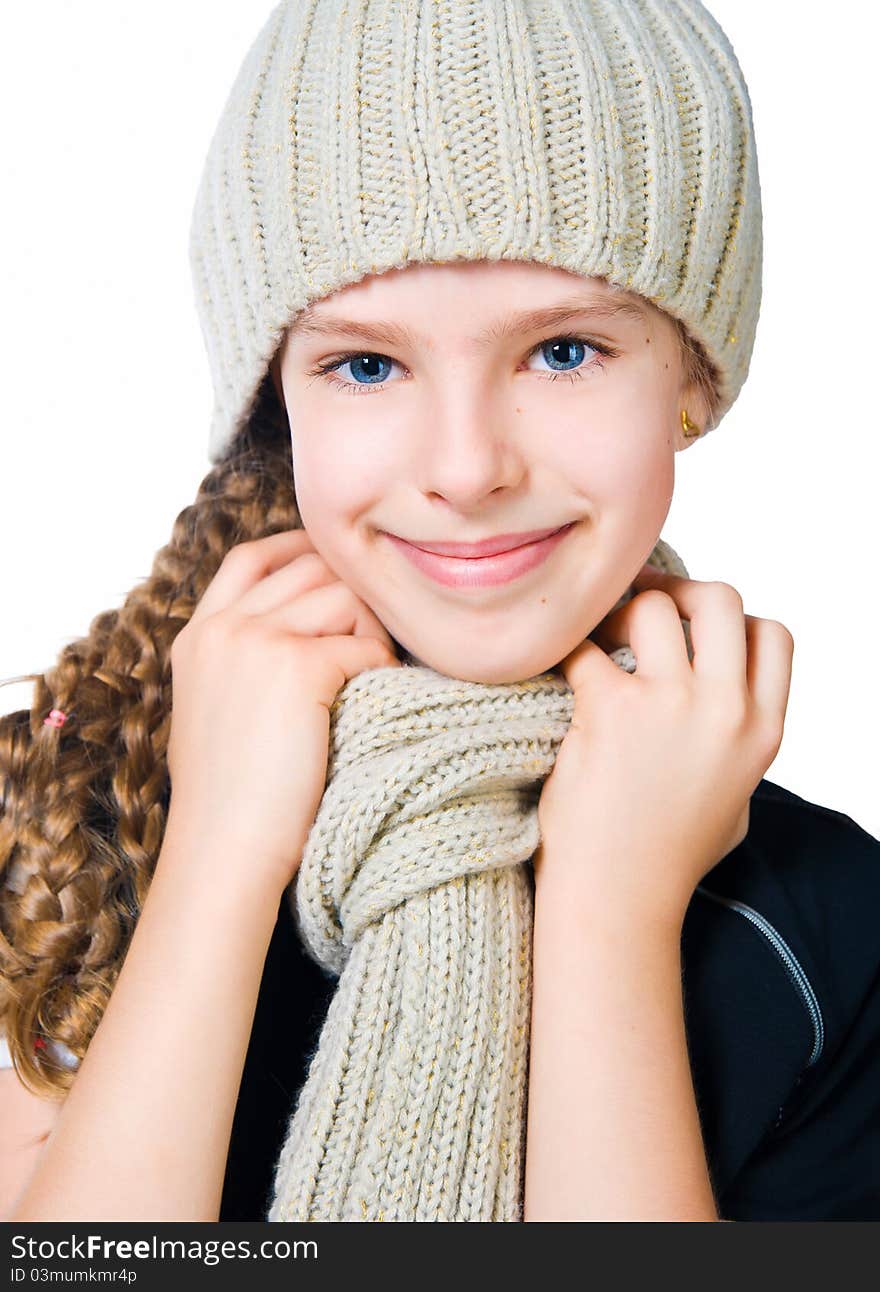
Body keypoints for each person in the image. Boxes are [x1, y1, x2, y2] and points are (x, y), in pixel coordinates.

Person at [1, 0, 878, 1223]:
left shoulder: (829, 925)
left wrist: (610, 904)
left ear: (691, 372)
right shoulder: (86, 804)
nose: (466, 468)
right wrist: (217, 846)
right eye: (366, 364)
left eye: (563, 350)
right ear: (275, 403)